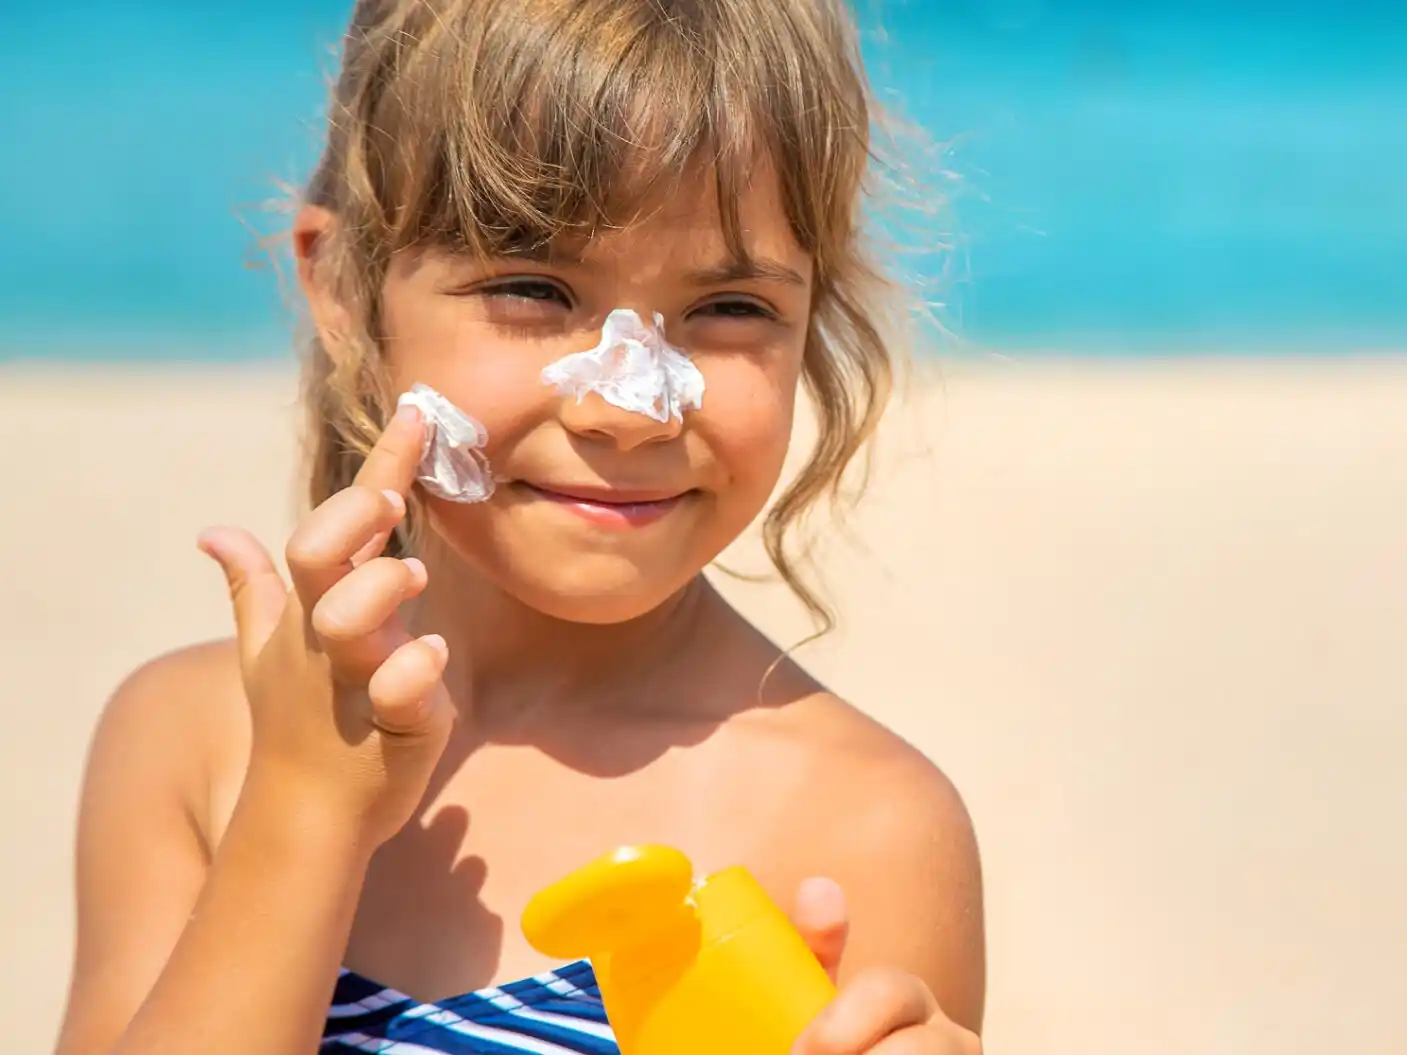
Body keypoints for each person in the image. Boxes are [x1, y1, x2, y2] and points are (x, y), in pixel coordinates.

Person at [54, 1, 985, 1052]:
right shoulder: (198, 741)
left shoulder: (862, 823)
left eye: (730, 306)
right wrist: (305, 803)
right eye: (534, 288)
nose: (630, 404)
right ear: (347, 291)